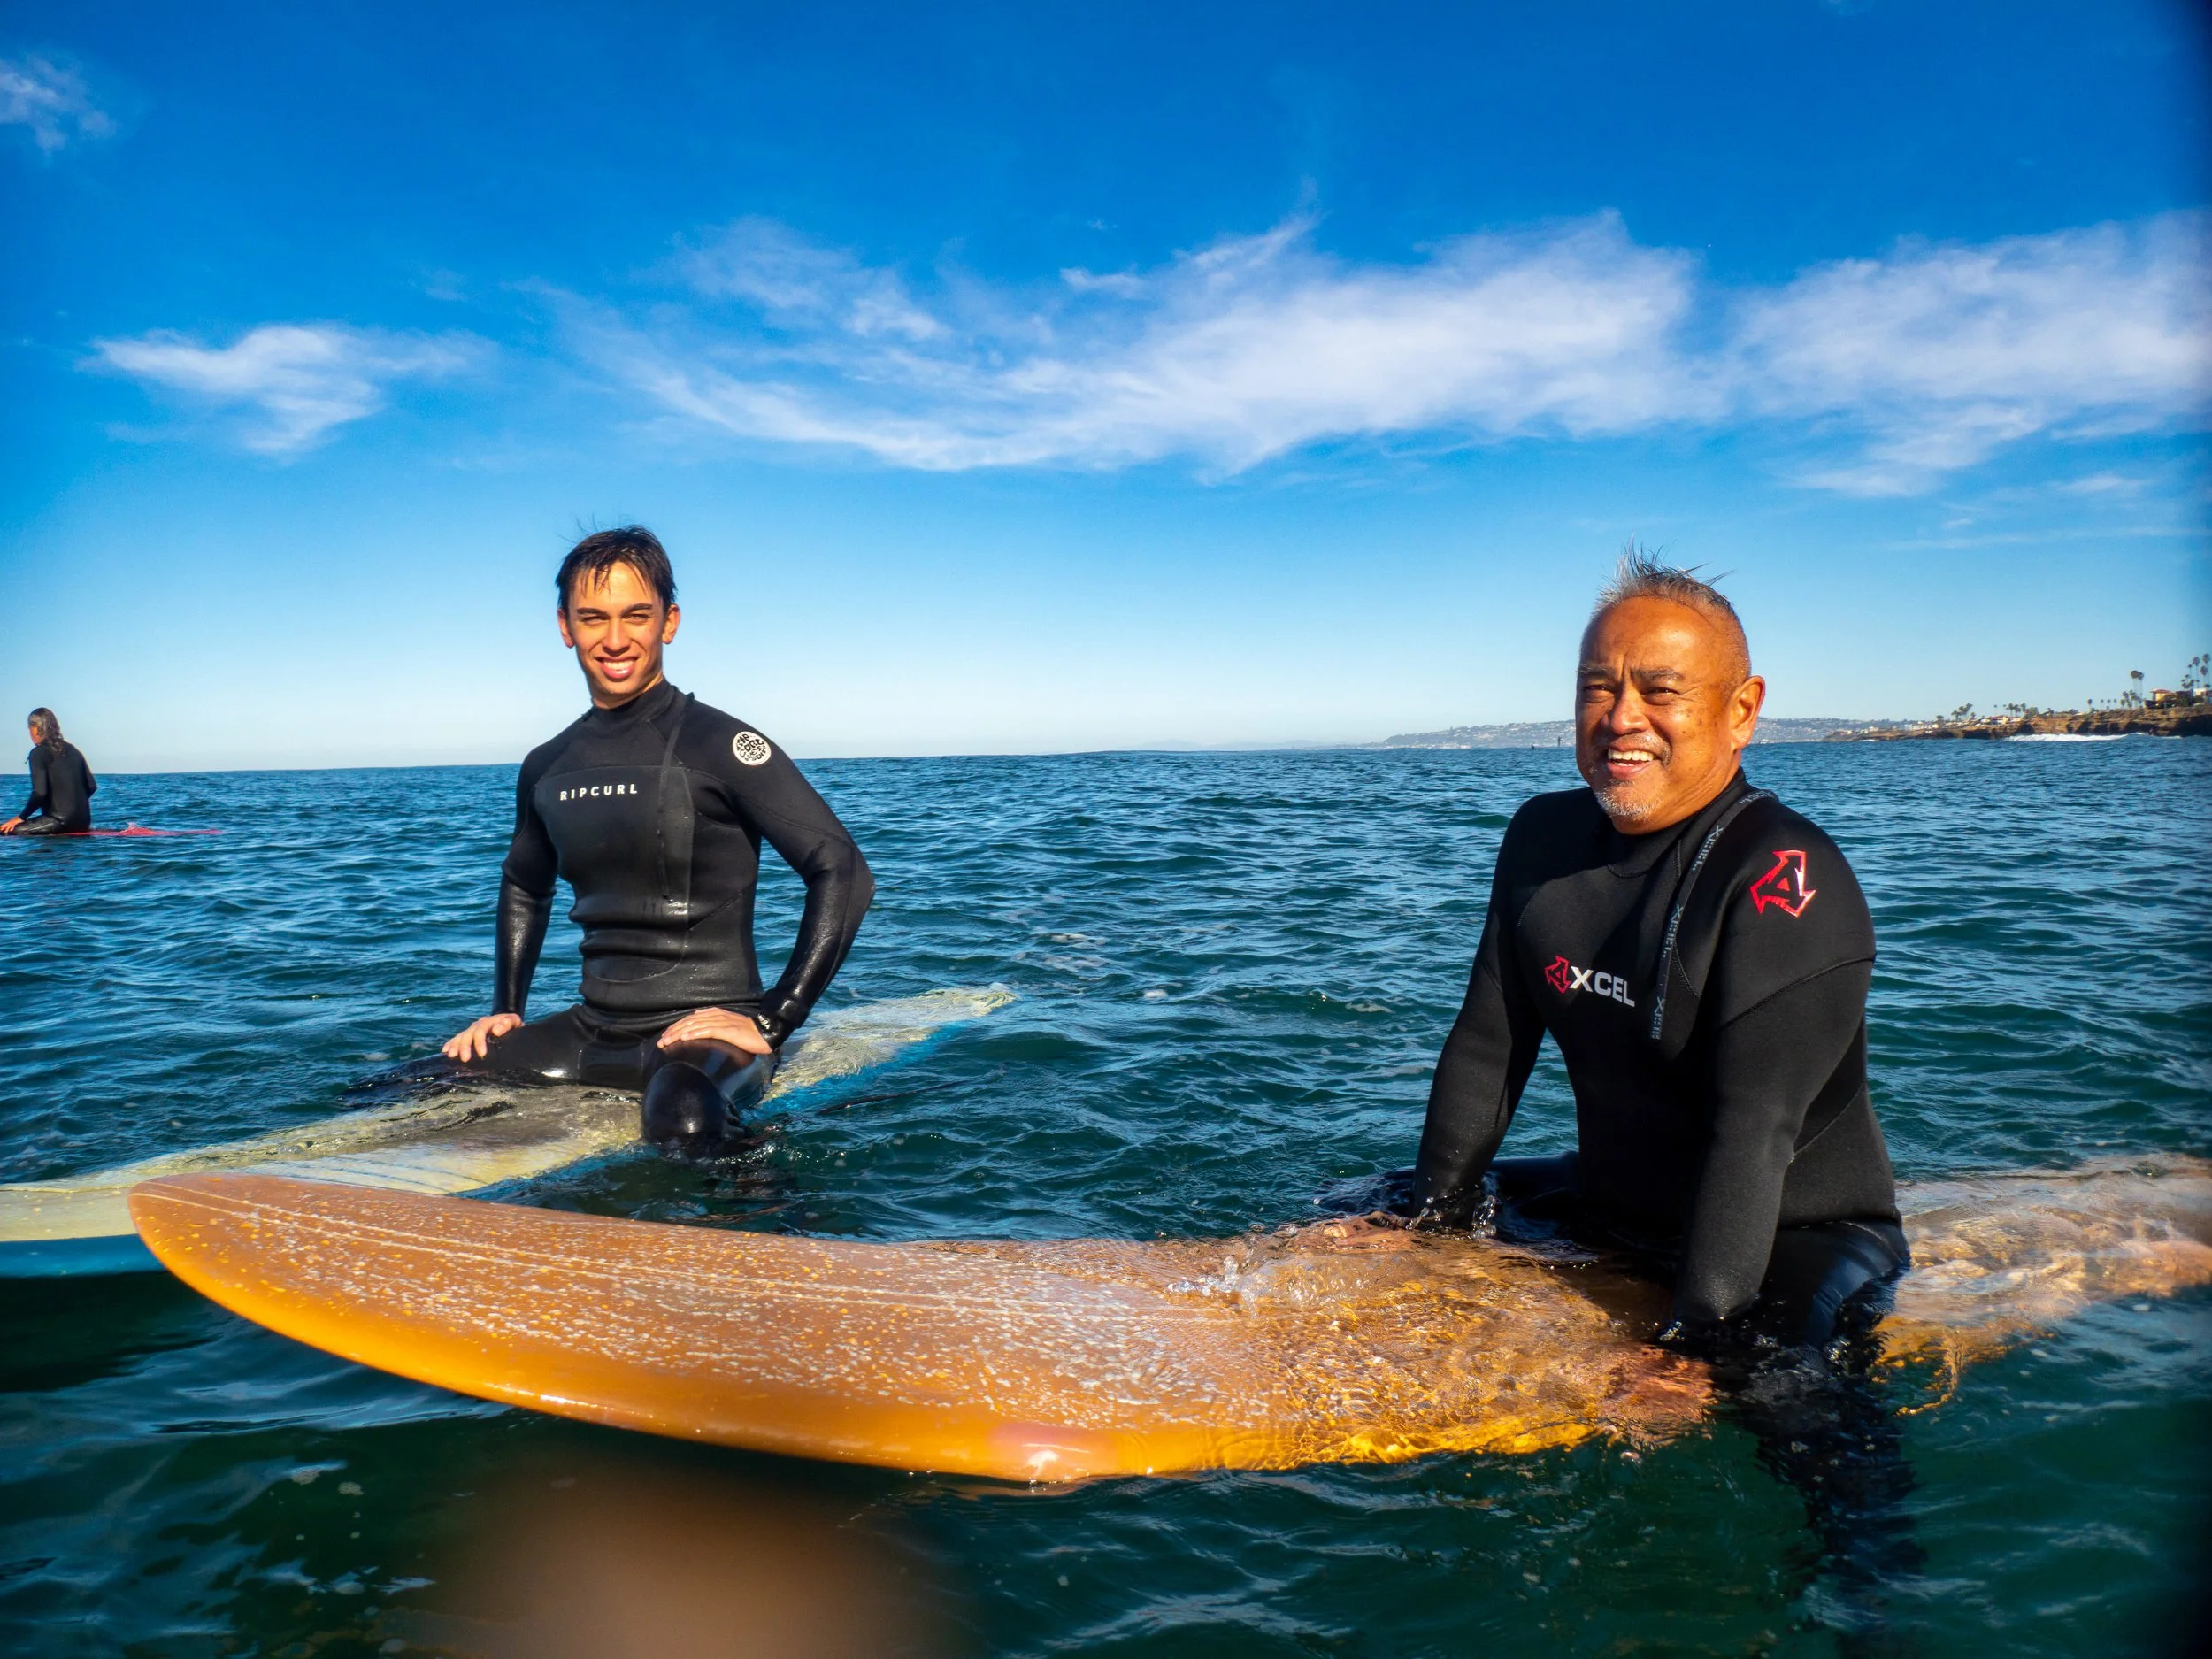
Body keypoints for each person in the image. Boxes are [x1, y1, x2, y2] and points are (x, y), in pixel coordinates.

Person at [1399, 548, 1921, 1601]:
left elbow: (1755, 1137)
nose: (1622, 715)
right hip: (1615, 1201)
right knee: (1363, 1203)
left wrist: (1689, 1344)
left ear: (1741, 710)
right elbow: (1488, 1046)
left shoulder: (1787, 879)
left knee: (1775, 1385)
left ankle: (1874, 1595)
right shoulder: (1542, 836)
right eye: (1599, 685)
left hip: (1789, 1233)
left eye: (1659, 690)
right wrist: (1431, 1221)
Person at [437, 526, 874, 1151]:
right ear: (565, 626)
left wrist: (778, 1016)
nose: (615, 639)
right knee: (414, 1082)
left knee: (684, 1114)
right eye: (593, 618)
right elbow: (523, 884)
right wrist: (506, 1007)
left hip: (702, 1042)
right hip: (591, 1032)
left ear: (669, 622)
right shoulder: (548, 764)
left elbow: (843, 868)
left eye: (635, 616)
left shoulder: (720, 745)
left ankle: (768, 1230)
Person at [2, 709, 96, 836]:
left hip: (59, 822)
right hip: (84, 822)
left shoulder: (38, 752)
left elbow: (40, 793)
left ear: (35, 728)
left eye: (30, 729)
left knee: (5, 831)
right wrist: (72, 805)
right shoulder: (73, 750)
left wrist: (21, 817)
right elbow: (92, 786)